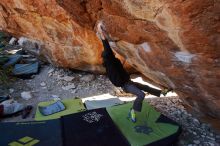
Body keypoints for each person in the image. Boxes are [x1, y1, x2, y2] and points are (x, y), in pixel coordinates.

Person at [97, 22, 171, 123]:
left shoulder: (112, 64)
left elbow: (119, 68)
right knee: (141, 95)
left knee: (145, 87)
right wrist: (100, 30)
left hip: (128, 82)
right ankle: (133, 110)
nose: (112, 52)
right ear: (107, 55)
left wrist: (126, 58)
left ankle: (162, 92)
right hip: (126, 85)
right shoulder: (109, 59)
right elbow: (105, 44)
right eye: (109, 53)